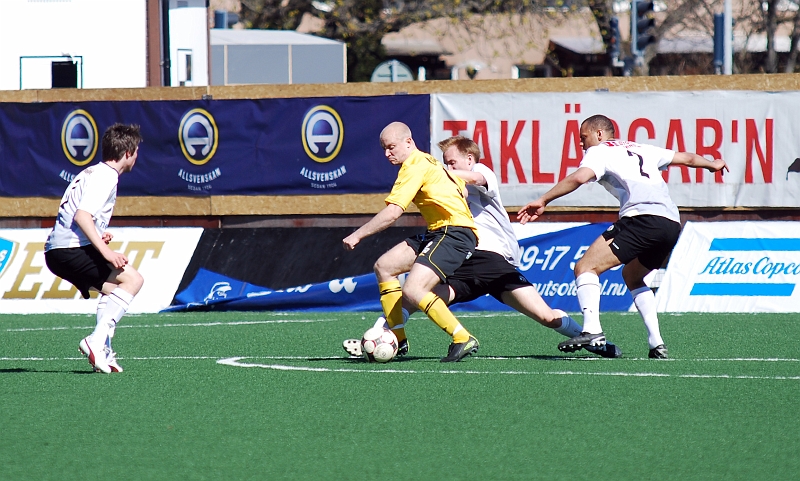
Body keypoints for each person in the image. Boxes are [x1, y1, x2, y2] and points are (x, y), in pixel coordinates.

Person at [343, 136, 621, 359]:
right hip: (466, 259)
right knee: (416, 294)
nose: (449, 167)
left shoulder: (480, 172)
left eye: (453, 162)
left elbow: (473, 179)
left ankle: (595, 342)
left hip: (494, 261)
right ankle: (382, 336)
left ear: (469, 159)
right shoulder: (446, 181)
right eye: (446, 163)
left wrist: (442, 173)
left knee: (547, 317)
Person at [517, 114, 729, 358]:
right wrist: (712, 163)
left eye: (583, 137)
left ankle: (593, 330)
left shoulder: (600, 151)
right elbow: (688, 157)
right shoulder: (642, 148)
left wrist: (543, 200)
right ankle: (656, 343)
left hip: (642, 219)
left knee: (585, 267)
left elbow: (578, 178)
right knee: (633, 275)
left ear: (599, 134)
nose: (581, 143)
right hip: (670, 224)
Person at [343, 122, 480, 362]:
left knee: (414, 289)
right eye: (384, 149)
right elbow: (463, 190)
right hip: (440, 230)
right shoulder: (430, 162)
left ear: (409, 142)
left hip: (454, 232)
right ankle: (398, 338)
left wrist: (358, 234)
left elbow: (394, 212)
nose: (387, 154)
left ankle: (462, 337)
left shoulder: (414, 166)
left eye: (391, 147)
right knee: (384, 266)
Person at [44, 123, 145, 373]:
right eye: (137, 151)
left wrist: (99, 234)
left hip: (58, 251)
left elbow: (79, 216)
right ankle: (95, 341)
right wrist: (106, 252)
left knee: (115, 291)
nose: (137, 156)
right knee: (133, 280)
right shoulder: (107, 176)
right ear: (128, 153)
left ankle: (102, 351)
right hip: (68, 250)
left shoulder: (92, 172)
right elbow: (81, 216)